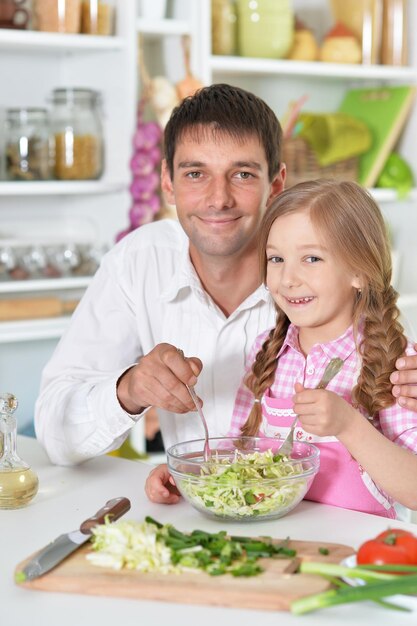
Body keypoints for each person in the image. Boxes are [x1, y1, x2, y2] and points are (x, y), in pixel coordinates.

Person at [35, 84, 417, 468]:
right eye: (196, 173)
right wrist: (128, 391)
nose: (219, 199)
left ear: (277, 183)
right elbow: (53, 432)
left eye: (243, 174)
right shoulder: (139, 261)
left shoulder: (321, 278)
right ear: (167, 181)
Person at [146, 180, 417, 518]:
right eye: (276, 258)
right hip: (280, 545)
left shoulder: (396, 363)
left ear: (359, 271)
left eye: (312, 258)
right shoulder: (268, 351)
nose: (288, 278)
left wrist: (349, 425)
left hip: (359, 556)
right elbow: (242, 452)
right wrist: (195, 477)